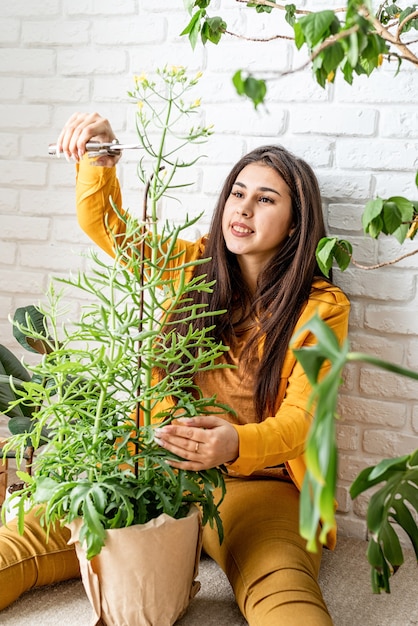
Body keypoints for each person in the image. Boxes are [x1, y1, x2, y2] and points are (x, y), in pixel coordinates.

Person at [0, 112, 350, 625]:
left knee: (283, 590)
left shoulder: (321, 306)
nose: (243, 208)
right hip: (152, 465)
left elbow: (305, 419)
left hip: (259, 484)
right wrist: (101, 155)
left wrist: (235, 443)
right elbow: (108, 225)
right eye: (238, 192)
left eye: (266, 199)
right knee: (22, 537)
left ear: (296, 222)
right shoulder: (194, 267)